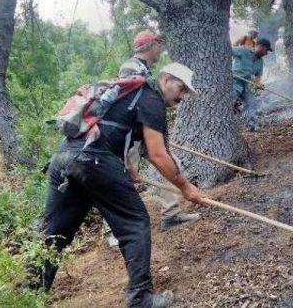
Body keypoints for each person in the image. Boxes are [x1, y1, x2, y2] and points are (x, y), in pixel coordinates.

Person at [42, 63, 204, 307]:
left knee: (53, 234)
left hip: (64, 158)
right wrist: (185, 187)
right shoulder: (151, 99)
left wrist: (129, 170)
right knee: (135, 223)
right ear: (167, 79)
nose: (182, 97)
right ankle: (141, 298)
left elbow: (119, 131)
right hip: (94, 161)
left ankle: (27, 295)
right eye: (181, 89)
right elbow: (158, 154)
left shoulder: (129, 93)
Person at [118, 30, 201, 232]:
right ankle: (113, 229)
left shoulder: (147, 71)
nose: (159, 50)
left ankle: (171, 213)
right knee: (119, 177)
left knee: (173, 163)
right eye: (157, 45)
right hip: (124, 135)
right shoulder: (131, 66)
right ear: (149, 46)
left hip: (138, 131)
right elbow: (131, 101)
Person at [231, 38, 273, 131]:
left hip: (245, 85)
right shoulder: (243, 50)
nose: (266, 54)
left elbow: (258, 78)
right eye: (266, 50)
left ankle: (251, 125)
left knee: (252, 101)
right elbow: (227, 51)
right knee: (230, 100)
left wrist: (259, 84)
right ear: (261, 46)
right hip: (234, 81)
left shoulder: (260, 61)